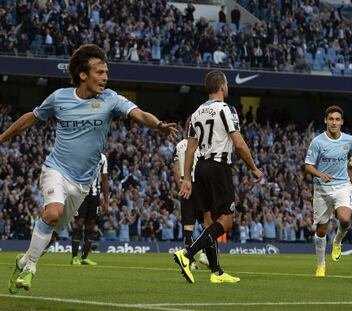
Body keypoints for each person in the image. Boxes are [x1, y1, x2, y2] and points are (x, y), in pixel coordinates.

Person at [3, 43, 177, 294]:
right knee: (51, 213)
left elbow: (139, 114)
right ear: (83, 74)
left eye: (106, 72)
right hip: (56, 169)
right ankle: (30, 267)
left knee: (50, 236)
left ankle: (22, 260)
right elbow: (31, 117)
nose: (105, 77)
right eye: (99, 72)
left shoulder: (110, 99)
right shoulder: (59, 98)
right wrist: (2, 138)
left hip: (83, 182)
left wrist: (158, 125)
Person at [173, 70, 263, 284]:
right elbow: (239, 144)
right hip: (219, 167)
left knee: (209, 222)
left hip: (200, 168)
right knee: (226, 222)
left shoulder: (196, 113)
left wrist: (186, 178)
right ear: (222, 86)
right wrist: (254, 168)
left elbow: (190, 149)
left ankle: (216, 272)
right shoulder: (226, 109)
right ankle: (186, 254)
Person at [305, 105, 352, 277]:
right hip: (321, 189)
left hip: (342, 186)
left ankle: (338, 240)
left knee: (345, 219)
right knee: (321, 230)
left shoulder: (349, 140)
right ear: (325, 121)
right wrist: (320, 174)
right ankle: (321, 266)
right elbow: (308, 166)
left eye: (337, 119)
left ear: (342, 122)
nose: (334, 122)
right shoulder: (317, 142)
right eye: (331, 119)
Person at [172, 118, 209, 269]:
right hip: (198, 186)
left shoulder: (179, 145)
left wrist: (180, 187)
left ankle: (190, 261)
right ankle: (206, 254)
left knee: (188, 225)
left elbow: (175, 169)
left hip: (184, 187)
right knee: (207, 222)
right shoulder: (200, 145)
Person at [71, 153, 109, 266]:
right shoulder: (82, 154)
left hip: (95, 195)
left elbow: (105, 179)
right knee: (79, 223)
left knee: (91, 225)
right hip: (81, 194)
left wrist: (106, 201)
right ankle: (74, 257)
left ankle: (85, 257)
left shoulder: (102, 158)